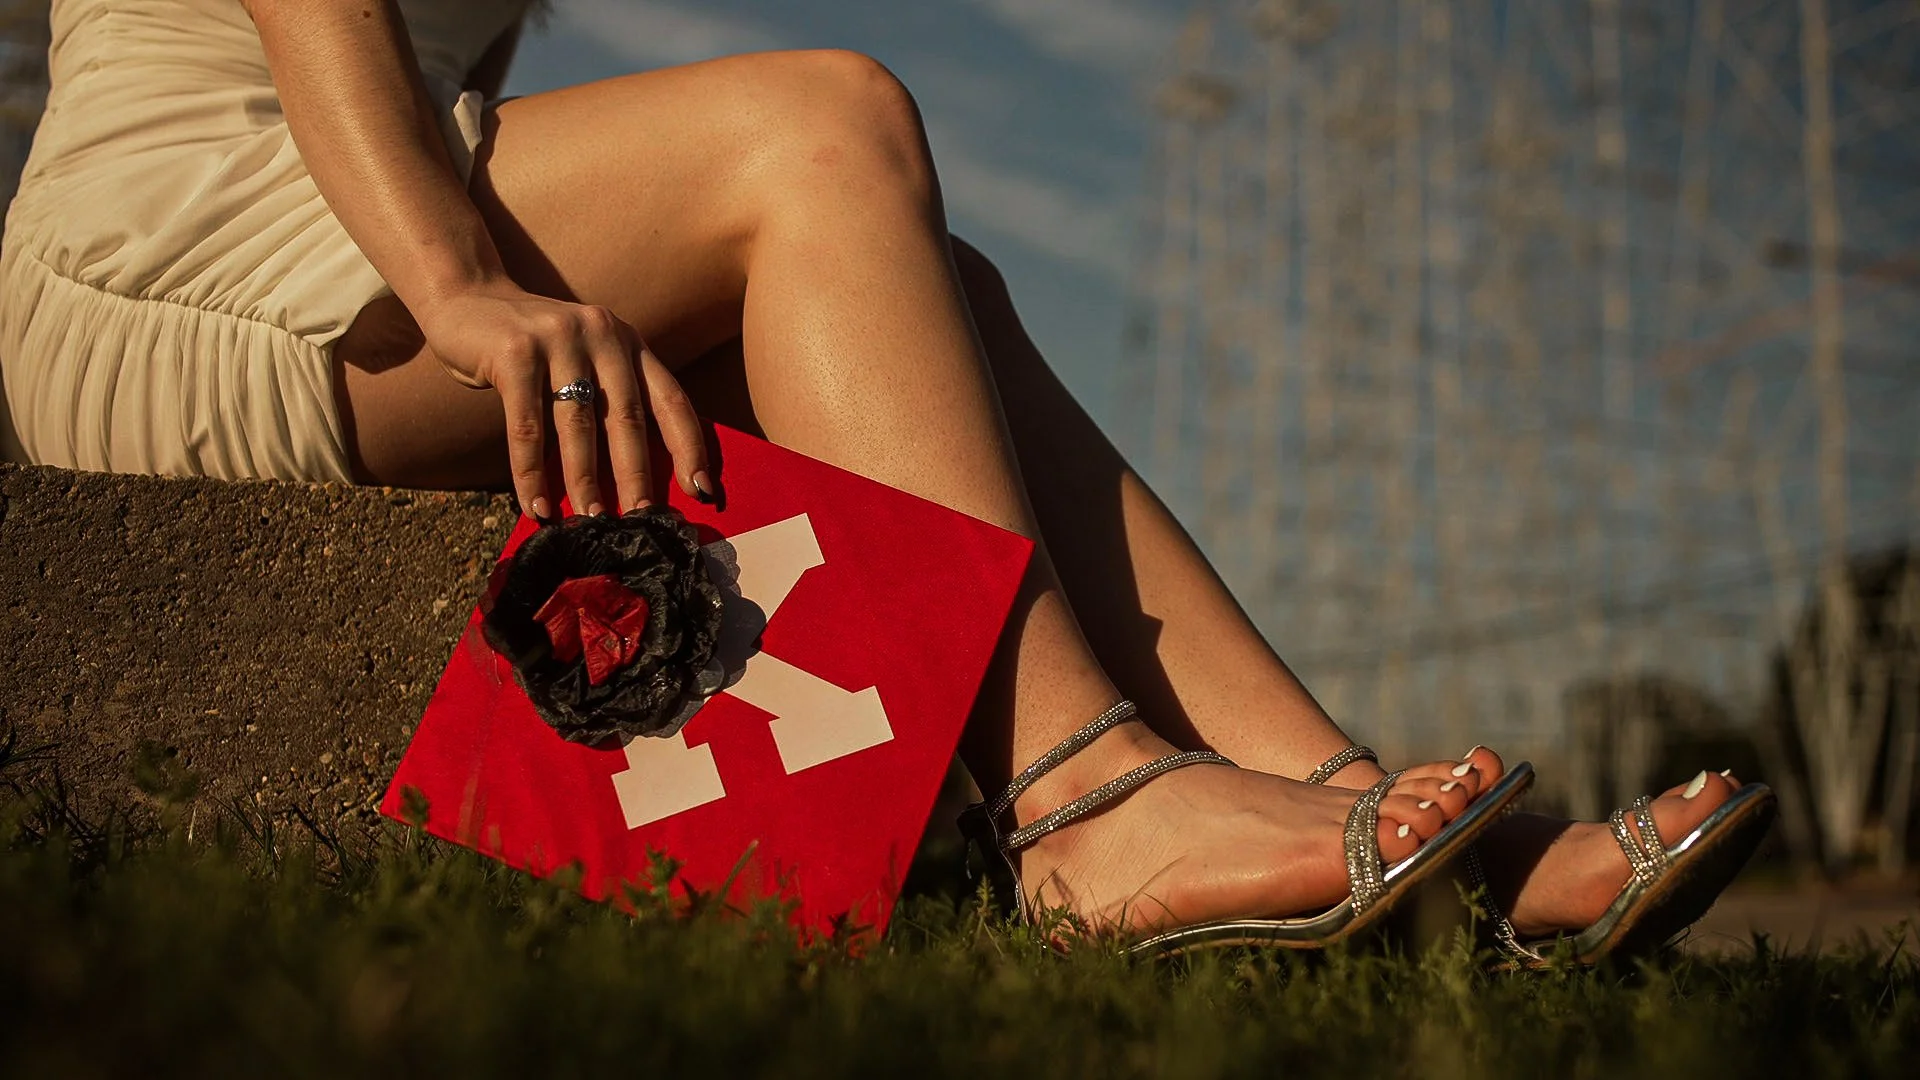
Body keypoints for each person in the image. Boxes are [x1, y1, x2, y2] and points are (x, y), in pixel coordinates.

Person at [0, 0, 1764, 953]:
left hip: (389, 188)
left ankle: (1340, 792)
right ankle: (1082, 804)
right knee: (829, 125)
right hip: (180, 236)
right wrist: (460, 284)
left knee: (943, 289)